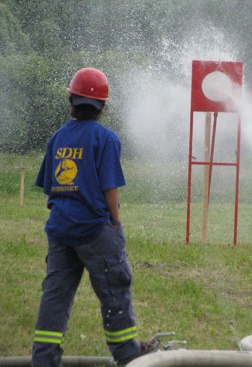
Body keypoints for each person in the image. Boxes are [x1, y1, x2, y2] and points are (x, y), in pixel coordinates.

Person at [32, 68, 159, 367]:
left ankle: (43, 359)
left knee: (55, 296)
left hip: (61, 229)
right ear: (103, 105)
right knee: (115, 288)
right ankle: (128, 356)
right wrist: (114, 222)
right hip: (95, 230)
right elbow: (109, 188)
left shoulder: (57, 138)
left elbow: (50, 187)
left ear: (71, 100)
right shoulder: (107, 138)